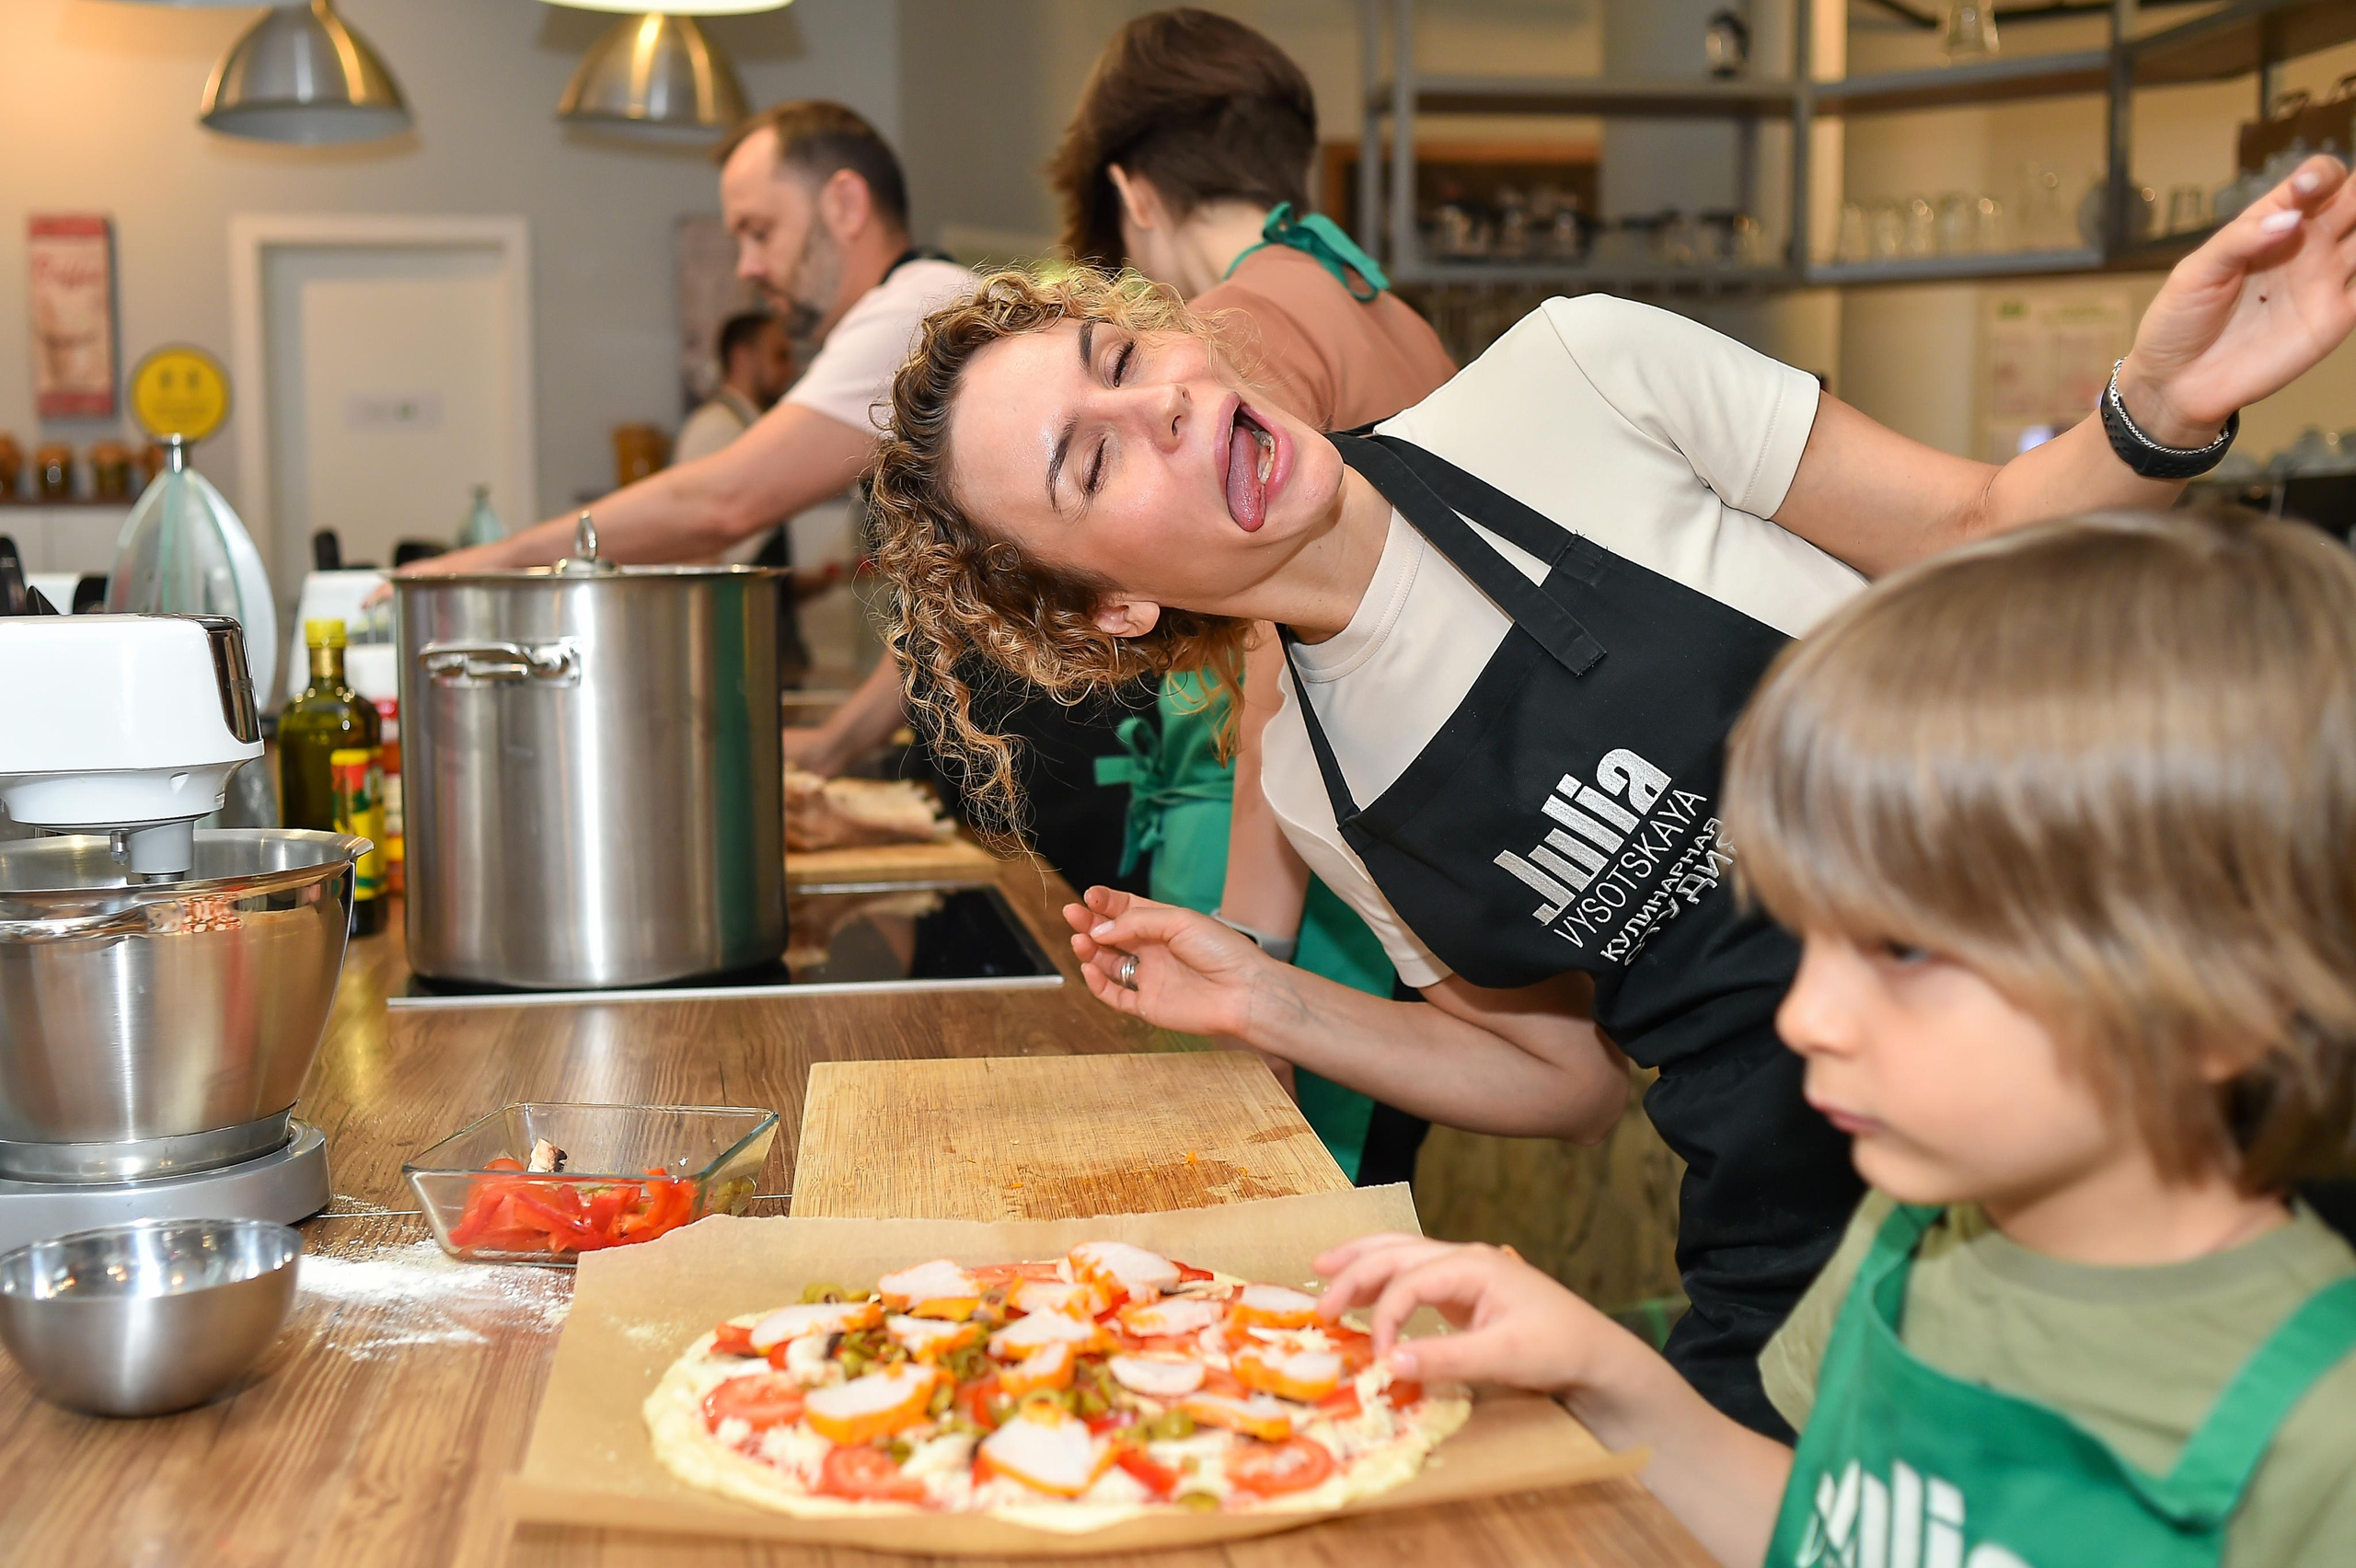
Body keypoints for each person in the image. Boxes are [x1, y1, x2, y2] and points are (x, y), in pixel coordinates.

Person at [861, 156, 2356, 1434]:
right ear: (1108, 606)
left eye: (1128, 365)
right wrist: (1263, 999)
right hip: (1788, 1252)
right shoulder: (1318, 786)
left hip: (2114, 1125)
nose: (1163, 415)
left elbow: (1980, 529)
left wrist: (2156, 408)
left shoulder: (1583, 377)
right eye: (1089, 463)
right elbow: (1566, 1081)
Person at [1314, 510, 2356, 1568]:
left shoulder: (2324, 1441)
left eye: (1901, 950)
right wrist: (1605, 1378)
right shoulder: (1908, 1238)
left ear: (2222, 1002)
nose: (1806, 1017)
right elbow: (1828, 1526)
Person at [1046, 7, 1457, 1182]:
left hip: (1286, 869)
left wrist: (1250, 951)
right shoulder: (1380, 304)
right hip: (1401, 853)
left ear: (1134, 194)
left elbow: (1281, 651)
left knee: (1265, 1236)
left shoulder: (1234, 325)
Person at [674, 309, 826, 683]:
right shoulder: (713, 429)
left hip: (764, 629)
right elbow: (699, 544)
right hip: (733, 637)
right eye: (779, 356)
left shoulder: (751, 428)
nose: (790, 370)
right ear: (742, 358)